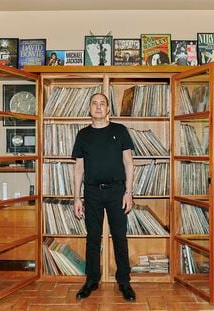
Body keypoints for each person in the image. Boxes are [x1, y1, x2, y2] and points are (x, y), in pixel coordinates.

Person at [72, 93, 136, 301]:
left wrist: (128, 192)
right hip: (91, 192)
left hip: (117, 192)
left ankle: (124, 282)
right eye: (94, 103)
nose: (98, 107)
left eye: (102, 104)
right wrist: (76, 198)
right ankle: (91, 281)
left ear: (108, 109)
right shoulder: (82, 135)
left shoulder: (120, 131)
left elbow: (128, 163)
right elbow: (79, 168)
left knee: (120, 237)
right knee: (92, 238)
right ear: (89, 108)